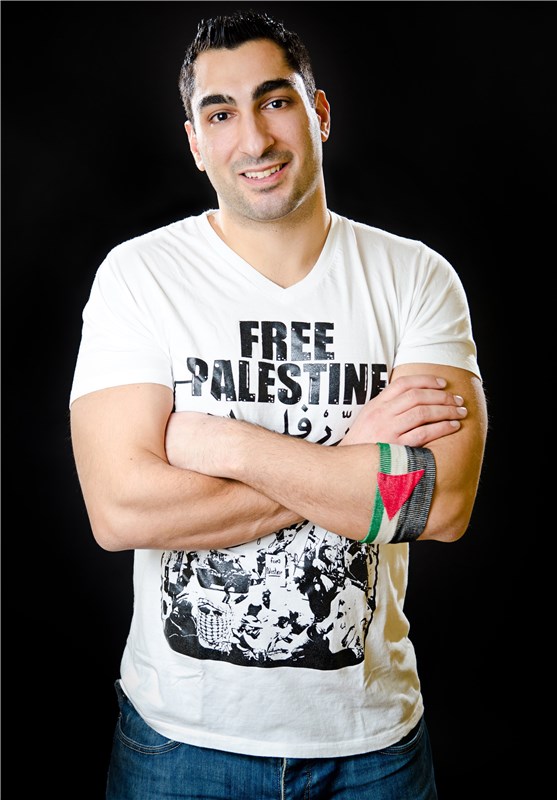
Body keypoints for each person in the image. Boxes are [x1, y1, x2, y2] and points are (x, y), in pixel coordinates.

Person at [69, 8, 488, 799]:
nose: (253, 140)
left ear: (318, 112)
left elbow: (440, 504)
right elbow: (120, 512)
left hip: (372, 746)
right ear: (195, 142)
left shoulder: (414, 278)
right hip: (180, 745)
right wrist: (354, 462)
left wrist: (223, 445)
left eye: (275, 101)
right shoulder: (140, 276)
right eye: (219, 114)